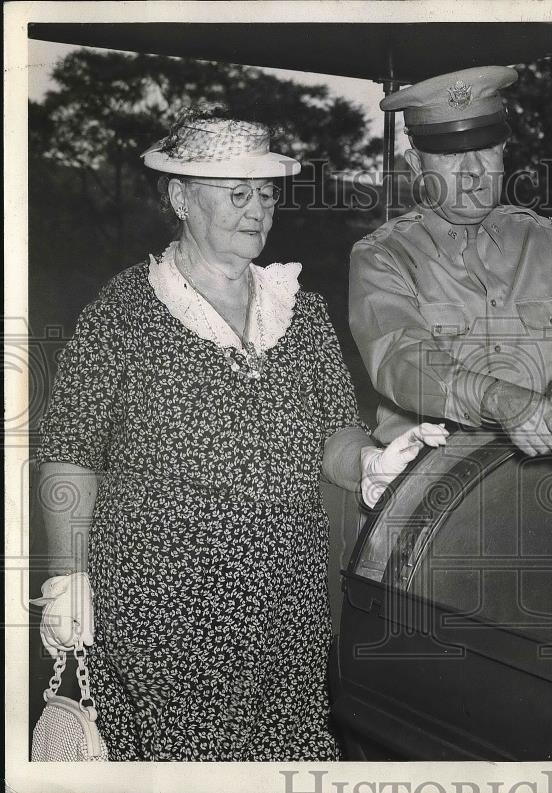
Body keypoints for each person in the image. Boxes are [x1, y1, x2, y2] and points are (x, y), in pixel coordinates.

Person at [32, 108, 447, 761]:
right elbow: (67, 453)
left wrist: (367, 461)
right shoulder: (123, 312)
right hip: (162, 610)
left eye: (266, 192)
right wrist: (66, 576)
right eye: (236, 193)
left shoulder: (303, 313)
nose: (257, 209)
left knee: (288, 756)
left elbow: (334, 431)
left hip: (288, 605)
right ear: (180, 196)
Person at [349, 66, 552, 457]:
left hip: (547, 460)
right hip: (430, 472)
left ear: (502, 151)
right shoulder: (383, 256)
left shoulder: (544, 242)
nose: (474, 173)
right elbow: (401, 360)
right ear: (416, 165)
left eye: (484, 150)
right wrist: (500, 399)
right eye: (451, 156)